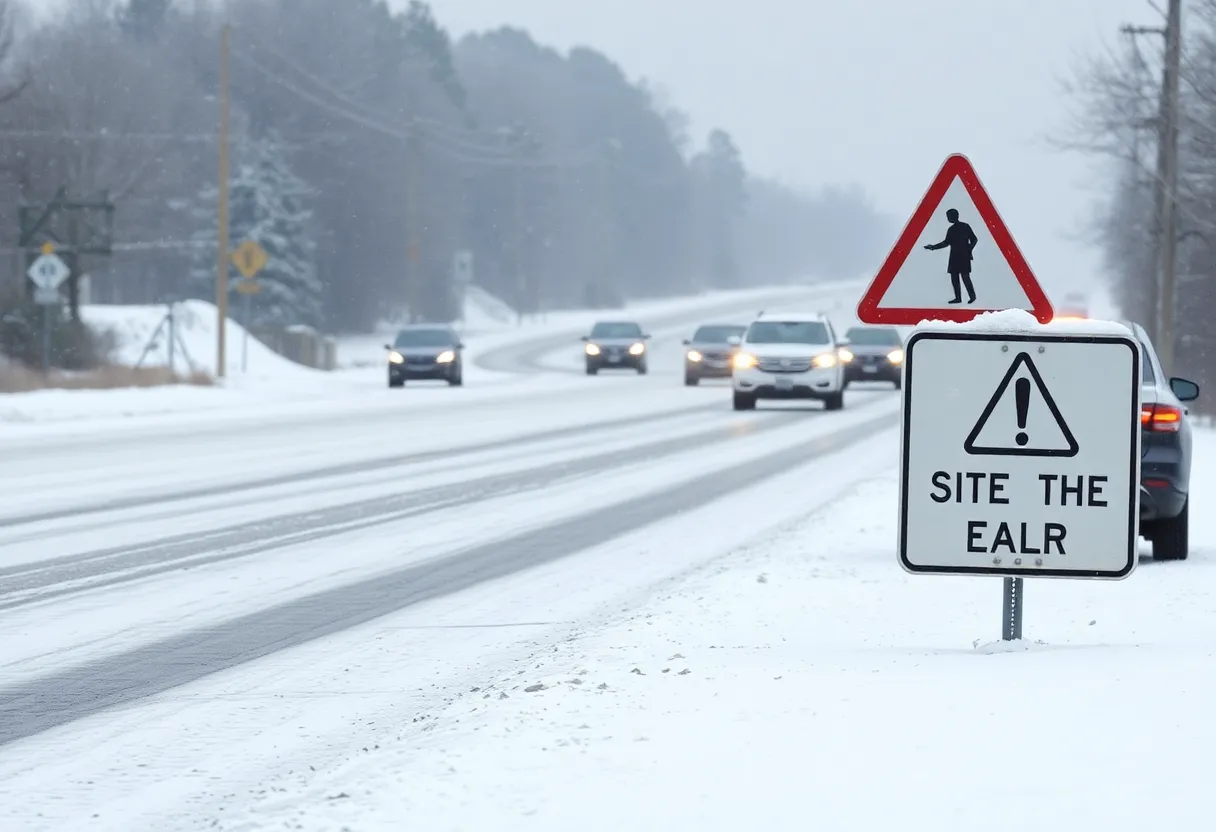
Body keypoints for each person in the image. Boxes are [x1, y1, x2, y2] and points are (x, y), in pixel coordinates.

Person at [924, 208, 978, 304]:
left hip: (963, 256)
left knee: (965, 277)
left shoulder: (965, 226)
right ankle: (958, 298)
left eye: (949, 216)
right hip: (954, 257)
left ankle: (972, 296)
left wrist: (968, 250)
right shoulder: (951, 229)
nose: (948, 218)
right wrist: (933, 247)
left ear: (955, 216)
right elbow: (946, 243)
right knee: (954, 278)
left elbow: (974, 239)